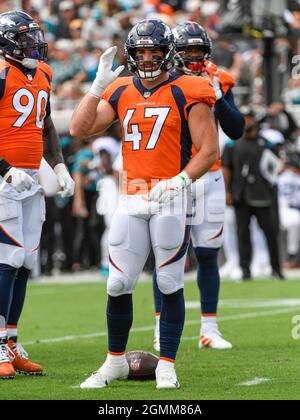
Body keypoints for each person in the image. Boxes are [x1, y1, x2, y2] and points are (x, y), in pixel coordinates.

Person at [70, 19, 218, 389]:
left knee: (168, 282)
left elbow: (209, 149)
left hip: (170, 195)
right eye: (140, 52)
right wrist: (97, 87)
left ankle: (166, 363)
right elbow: (79, 128)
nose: (147, 58)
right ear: (132, 54)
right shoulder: (120, 90)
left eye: (154, 51)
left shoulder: (189, 88)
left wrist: (180, 180)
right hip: (131, 194)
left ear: (167, 53)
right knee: (118, 283)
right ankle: (114, 361)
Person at [152, 22, 245, 351]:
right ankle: (161, 327)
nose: (193, 56)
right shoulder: (163, 82)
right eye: (187, 50)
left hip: (211, 176)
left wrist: (218, 96)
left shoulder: (218, 77)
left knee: (208, 254)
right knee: (168, 255)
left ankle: (209, 328)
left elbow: (236, 129)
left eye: (198, 50)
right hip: (174, 175)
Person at [0, 11, 75, 379]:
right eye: (25, 38)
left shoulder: (43, 73)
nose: (33, 44)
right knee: (7, 257)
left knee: (26, 261)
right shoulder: (0, 71)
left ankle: (11, 340)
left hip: (30, 176)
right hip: (4, 178)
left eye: (34, 37)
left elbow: (44, 123)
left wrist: (59, 165)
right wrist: (4, 169)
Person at [222, 107, 284, 280]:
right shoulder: (232, 144)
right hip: (241, 195)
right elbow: (226, 168)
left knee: (270, 232)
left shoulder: (267, 143)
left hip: (263, 195)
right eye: (244, 118)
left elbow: (277, 166)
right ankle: (245, 270)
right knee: (243, 233)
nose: (247, 122)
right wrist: (227, 191)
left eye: (249, 118)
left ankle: (276, 269)